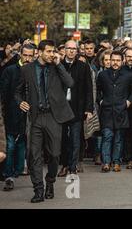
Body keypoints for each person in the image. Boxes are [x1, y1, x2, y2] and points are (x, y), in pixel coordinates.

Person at [15, 40, 75, 203]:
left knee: (55, 154)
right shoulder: (26, 69)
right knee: (34, 155)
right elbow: (17, 91)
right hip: (35, 117)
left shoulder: (57, 67)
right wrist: (20, 101)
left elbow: (70, 83)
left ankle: (50, 182)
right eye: (48, 51)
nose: (51, 54)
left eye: (53, 51)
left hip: (54, 117)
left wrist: (59, 64)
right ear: (39, 52)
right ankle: (38, 190)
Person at [0, 44, 35, 191]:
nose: (27, 58)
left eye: (30, 55)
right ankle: (8, 176)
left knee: (21, 146)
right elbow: (4, 93)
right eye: (25, 55)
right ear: (20, 54)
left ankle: (16, 171)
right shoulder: (10, 71)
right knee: (10, 145)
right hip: (11, 115)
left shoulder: (35, 71)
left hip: (28, 117)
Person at [97, 51, 132, 173]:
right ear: (109, 60)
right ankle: (106, 162)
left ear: (122, 61)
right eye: (113, 60)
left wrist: (128, 102)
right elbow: (97, 90)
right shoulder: (102, 75)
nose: (115, 63)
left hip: (121, 110)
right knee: (107, 136)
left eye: (117, 60)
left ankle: (116, 162)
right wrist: (100, 101)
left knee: (119, 138)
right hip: (107, 110)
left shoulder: (128, 75)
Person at [57, 41, 94, 177]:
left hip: (77, 108)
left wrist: (89, 108)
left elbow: (89, 89)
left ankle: (73, 167)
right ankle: (65, 165)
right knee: (62, 139)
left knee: (75, 138)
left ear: (77, 51)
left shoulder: (83, 67)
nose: (72, 51)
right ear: (64, 50)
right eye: (69, 48)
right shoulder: (58, 65)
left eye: (74, 49)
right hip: (61, 108)